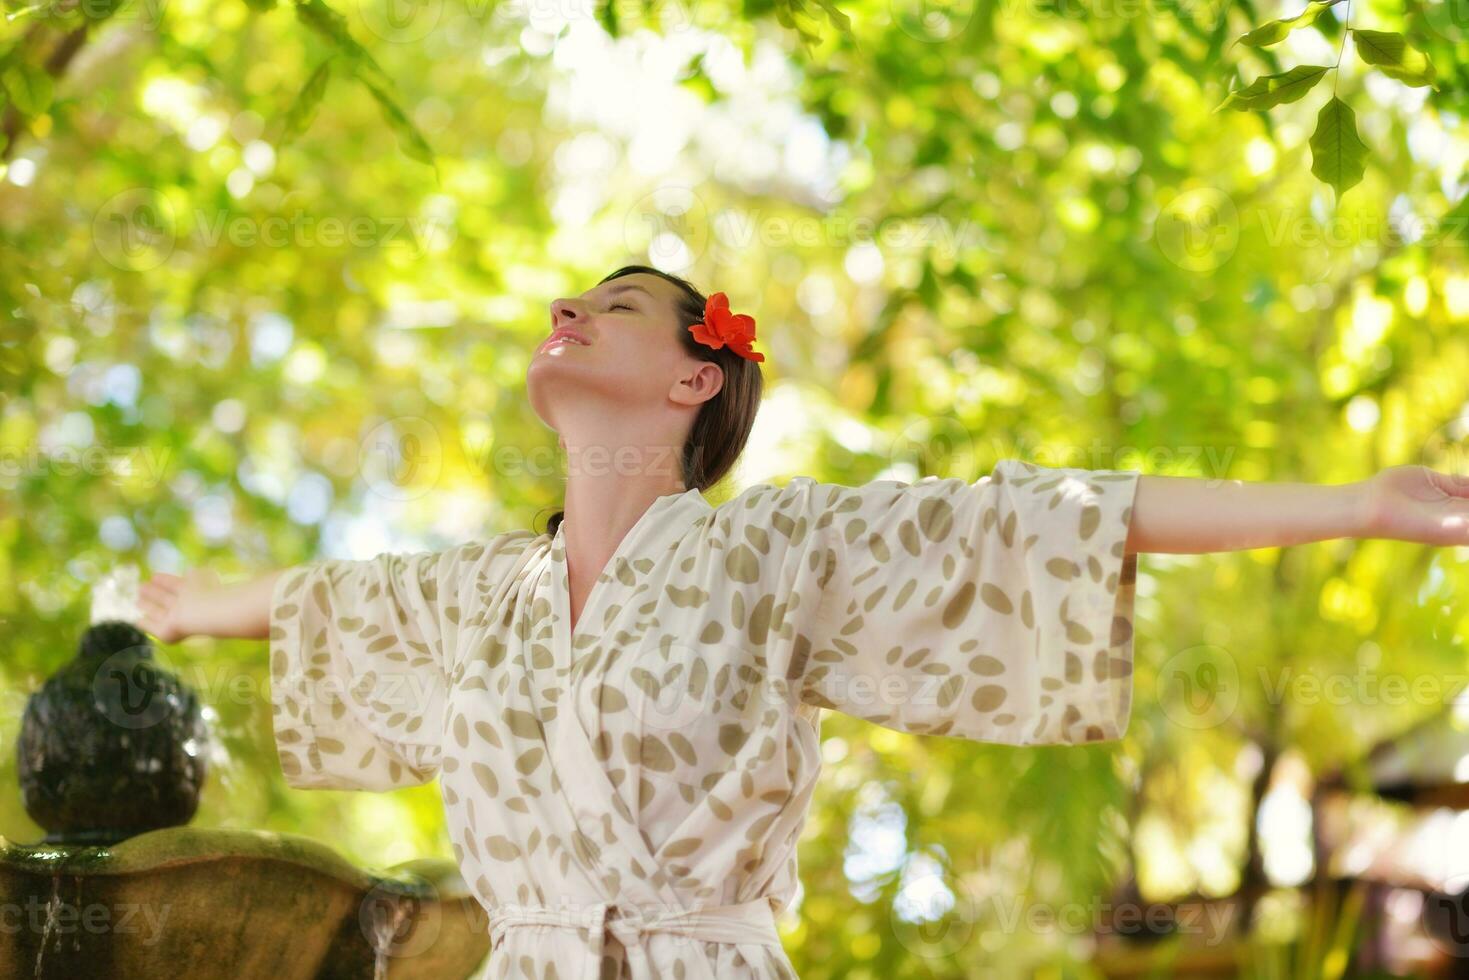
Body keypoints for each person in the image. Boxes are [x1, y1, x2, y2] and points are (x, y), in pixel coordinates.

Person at [137, 264, 1469, 979]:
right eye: (567, 303)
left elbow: (1054, 519)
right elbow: (315, 604)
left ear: (691, 374)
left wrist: (1351, 501)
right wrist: (179, 611)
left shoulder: (780, 551)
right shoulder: (472, 596)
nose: (567, 313)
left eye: (611, 306)